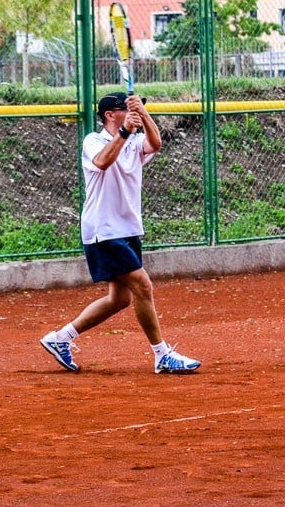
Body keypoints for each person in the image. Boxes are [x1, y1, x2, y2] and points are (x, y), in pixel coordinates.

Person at [40, 91, 201, 374]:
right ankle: (162, 355)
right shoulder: (94, 141)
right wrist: (125, 131)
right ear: (109, 115)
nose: (132, 115)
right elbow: (102, 162)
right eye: (125, 110)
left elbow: (156, 143)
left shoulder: (136, 142)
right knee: (143, 286)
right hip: (103, 229)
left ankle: (60, 338)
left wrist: (142, 112)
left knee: (121, 298)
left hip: (127, 229)